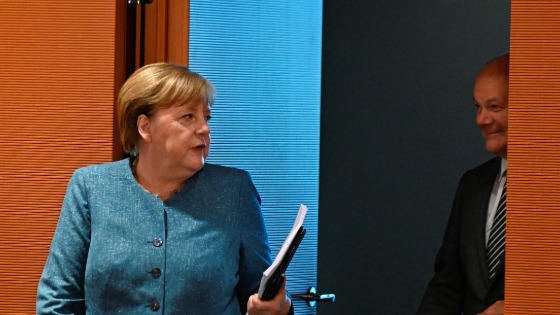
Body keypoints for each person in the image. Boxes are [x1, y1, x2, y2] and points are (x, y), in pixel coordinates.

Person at [37, 62, 294, 315]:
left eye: (206, 117)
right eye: (188, 117)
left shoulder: (234, 190)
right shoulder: (91, 187)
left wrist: (277, 309)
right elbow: (57, 300)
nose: (204, 128)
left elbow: (261, 296)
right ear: (145, 127)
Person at [417, 53, 509, 315]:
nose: (482, 120)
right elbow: (446, 285)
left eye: (494, 107)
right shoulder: (472, 185)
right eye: (478, 107)